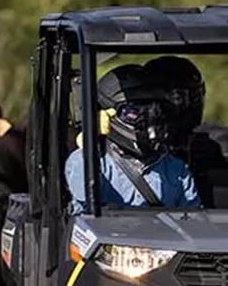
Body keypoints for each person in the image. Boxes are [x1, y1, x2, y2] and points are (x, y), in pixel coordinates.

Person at [64, 63, 201, 215]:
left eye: (155, 110)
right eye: (133, 112)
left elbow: (194, 219)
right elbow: (84, 215)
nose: (148, 120)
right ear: (107, 114)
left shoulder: (177, 169)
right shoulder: (90, 163)